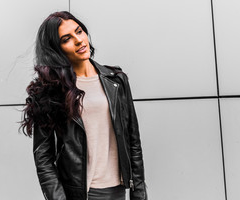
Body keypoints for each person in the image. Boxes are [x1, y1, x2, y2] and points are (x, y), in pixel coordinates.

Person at [19, 11, 148, 200]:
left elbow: (133, 141)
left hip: (118, 191)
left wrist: (139, 193)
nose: (79, 40)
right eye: (66, 39)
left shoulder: (117, 81)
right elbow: (43, 157)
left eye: (79, 31)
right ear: (56, 49)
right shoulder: (51, 90)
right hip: (81, 194)